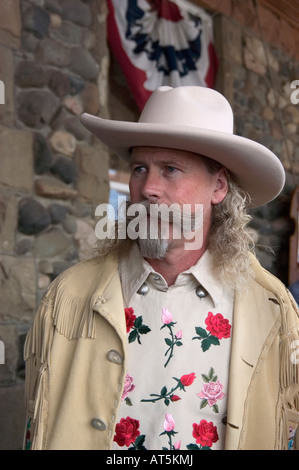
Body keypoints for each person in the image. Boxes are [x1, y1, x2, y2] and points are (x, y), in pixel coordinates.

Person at [23, 86, 299, 451]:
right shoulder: (68, 298)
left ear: (217, 187)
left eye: (170, 169)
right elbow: (36, 428)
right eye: (140, 169)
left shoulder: (273, 312)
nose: (148, 188)